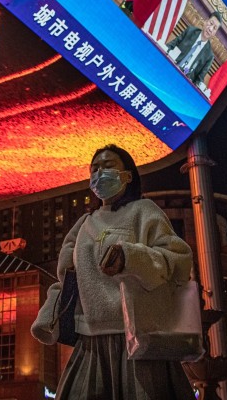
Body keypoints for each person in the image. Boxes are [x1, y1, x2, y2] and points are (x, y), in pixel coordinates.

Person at [31, 144, 195, 399]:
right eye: (94, 169)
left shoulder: (144, 211)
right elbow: (67, 278)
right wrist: (49, 316)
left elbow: (177, 260)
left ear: (127, 176)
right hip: (91, 342)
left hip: (138, 339)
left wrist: (130, 257)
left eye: (108, 166)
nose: (99, 174)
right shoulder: (84, 225)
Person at [166, 11, 223, 85]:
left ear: (215, 33)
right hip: (170, 67)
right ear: (206, 21)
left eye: (214, 28)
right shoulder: (190, 31)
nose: (210, 29)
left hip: (183, 84)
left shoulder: (209, 56)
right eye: (211, 23)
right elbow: (170, 46)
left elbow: (199, 81)